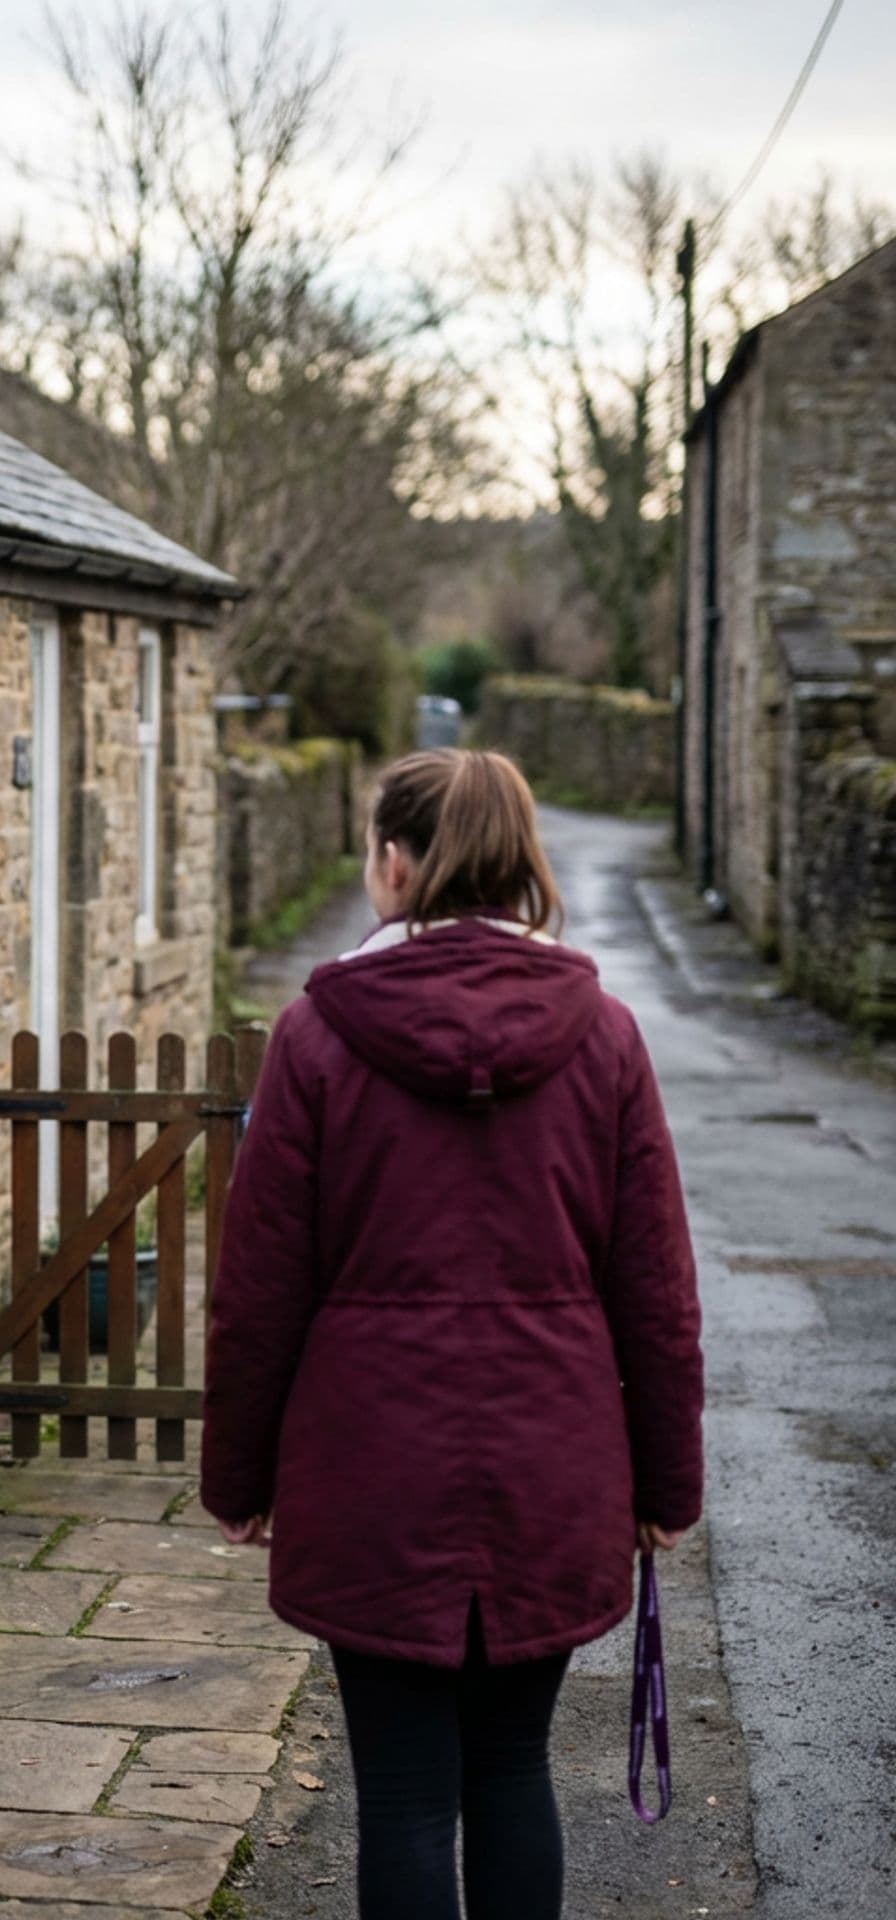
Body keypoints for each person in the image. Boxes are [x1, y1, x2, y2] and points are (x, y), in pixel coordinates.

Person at [201, 748, 703, 1920]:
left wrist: (240, 1474)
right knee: (514, 1767)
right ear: (521, 860)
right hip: (553, 1460)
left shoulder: (316, 1037)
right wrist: (667, 1484)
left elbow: (258, 1289)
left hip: (370, 1466)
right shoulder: (607, 1035)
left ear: (393, 864)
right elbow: (659, 1293)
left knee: (408, 1796)